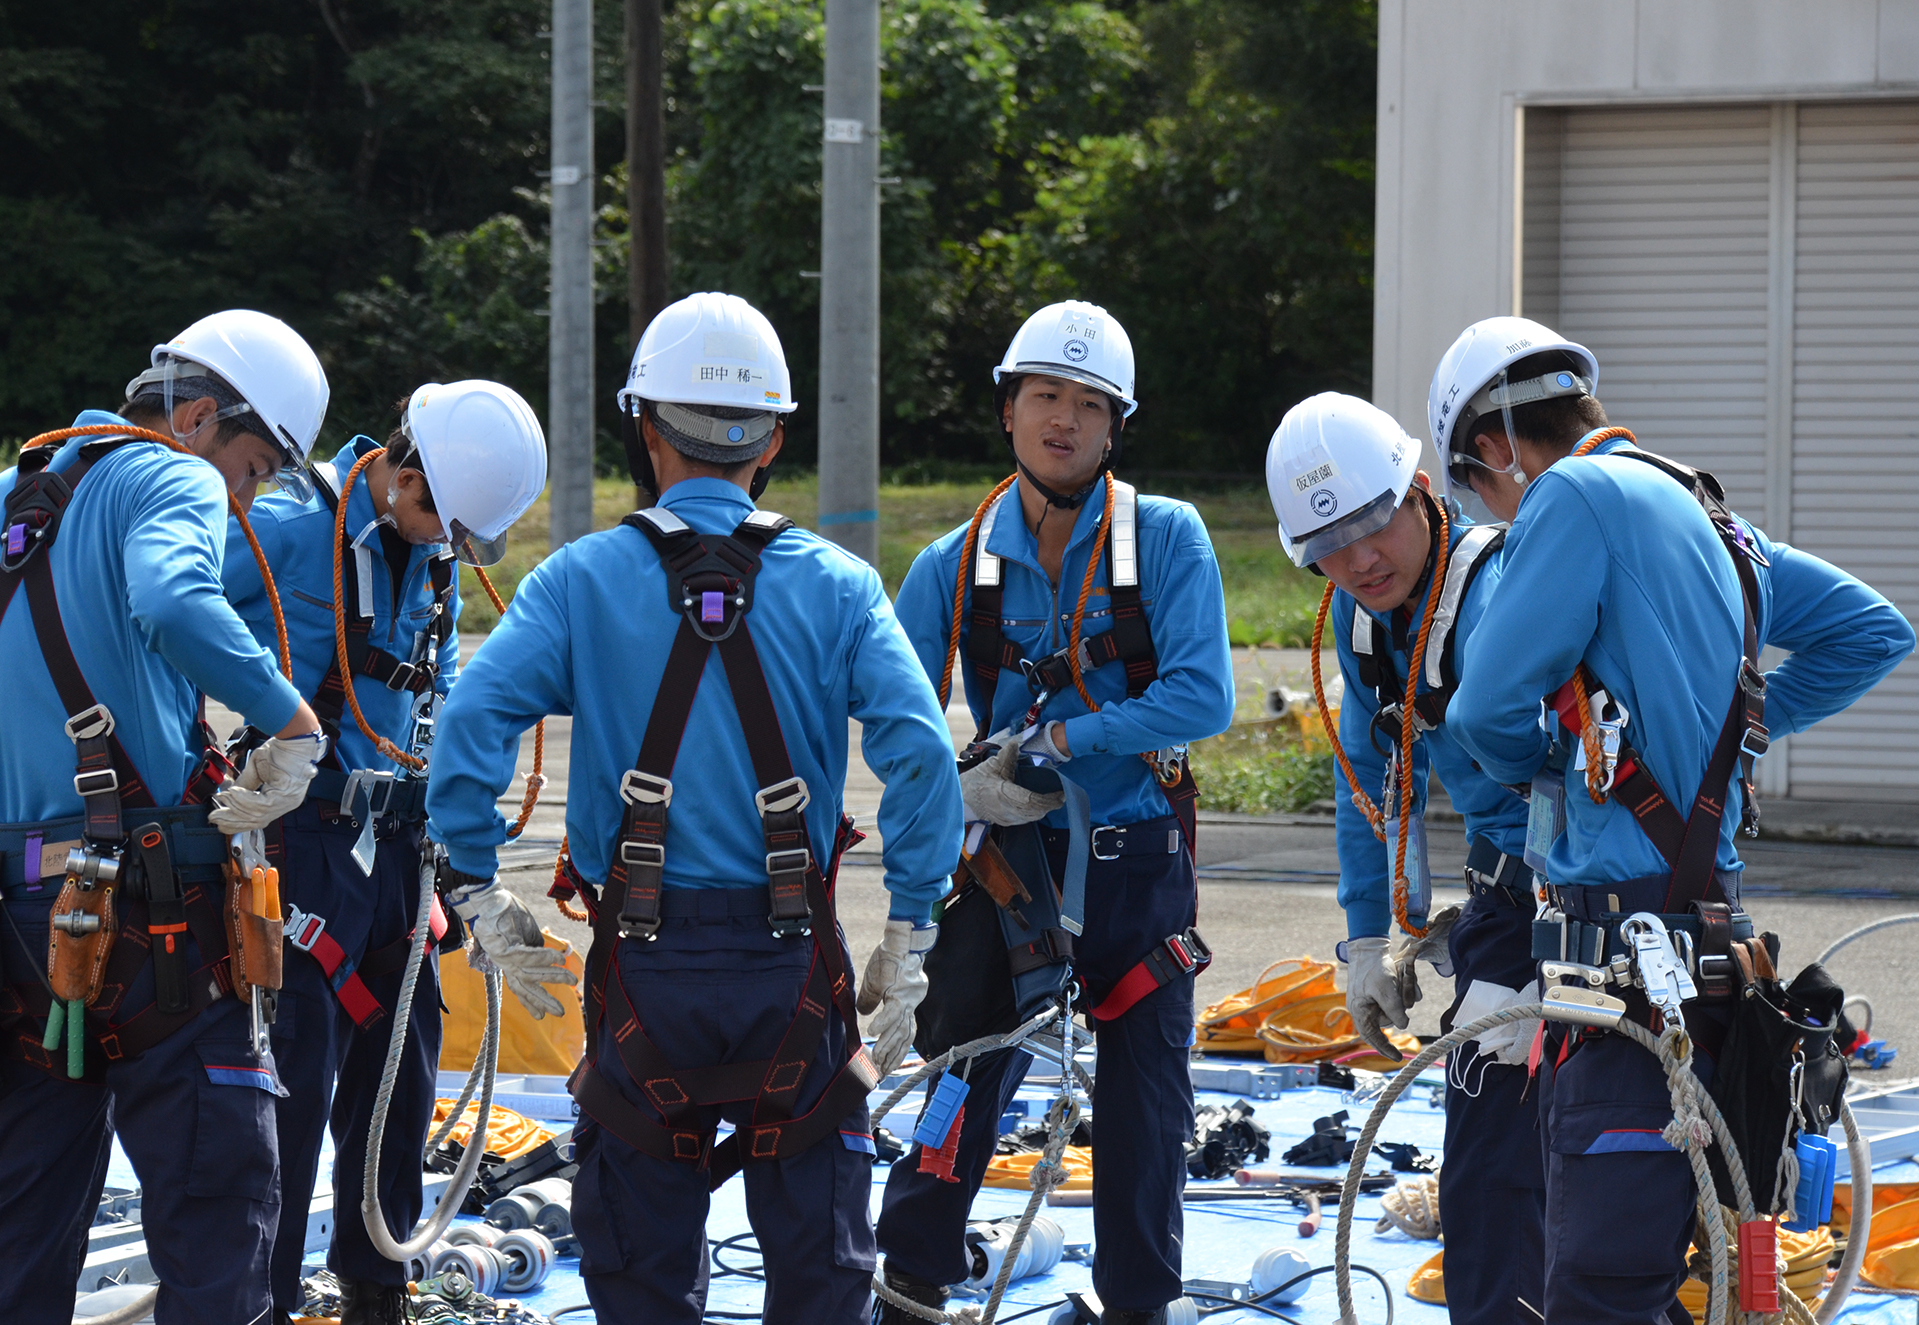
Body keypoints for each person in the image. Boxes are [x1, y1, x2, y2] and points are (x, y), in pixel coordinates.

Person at [425, 291, 962, 1325]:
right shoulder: (839, 585)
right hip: (792, 963)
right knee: (817, 1264)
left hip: (643, 966)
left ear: (643, 427)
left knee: (637, 1267)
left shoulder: (578, 581)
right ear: (772, 437)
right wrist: (912, 921)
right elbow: (921, 754)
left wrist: (476, 882)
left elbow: (472, 721)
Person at [1436, 316, 1916, 1323]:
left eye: (1475, 491)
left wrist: (1551, 766)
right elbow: (1874, 631)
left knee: (1600, 1291)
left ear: (1490, 449)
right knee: (1668, 1273)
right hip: (1708, 953)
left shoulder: (1568, 492)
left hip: (1621, 971)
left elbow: (1481, 709)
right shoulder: (1710, 521)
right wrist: (1728, 734)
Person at [0, 309, 332, 1323]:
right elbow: (178, 600)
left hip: (14, 915)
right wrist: (292, 722)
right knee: (213, 1214)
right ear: (196, 418)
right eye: (248, 472)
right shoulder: (166, 473)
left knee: (22, 1214)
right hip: (161, 919)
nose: (241, 502)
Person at [876, 301, 1234, 1325]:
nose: (1064, 420)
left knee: (1143, 1095)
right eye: (1045, 396)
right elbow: (892, 714)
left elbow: (1202, 694)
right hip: (1009, 865)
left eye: (1088, 404)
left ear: (1115, 426)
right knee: (959, 1061)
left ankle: (1134, 1303)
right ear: (1008, 410)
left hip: (1133, 858)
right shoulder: (951, 564)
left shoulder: (1163, 538)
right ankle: (910, 1272)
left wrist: (1055, 743)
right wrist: (952, 785)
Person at [223, 380, 547, 1323]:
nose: (444, 538)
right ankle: (263, 1298)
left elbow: (435, 691)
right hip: (305, 837)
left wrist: (453, 842)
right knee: (290, 1077)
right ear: (401, 468)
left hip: (400, 845)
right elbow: (176, 619)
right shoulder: (287, 528)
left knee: (402, 1068)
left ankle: (377, 1282)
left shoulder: (431, 553)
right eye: (434, 516)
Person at [1264, 390, 1542, 1322]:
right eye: (1326, 549)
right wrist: (1366, 942)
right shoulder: (1363, 622)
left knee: (1559, 1164)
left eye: (1371, 526)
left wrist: (1546, 954)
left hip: (1593, 902)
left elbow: (1578, 775)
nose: (1356, 561)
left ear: (1421, 490)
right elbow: (1369, 783)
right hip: (1508, 908)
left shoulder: (1501, 589)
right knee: (1494, 1164)